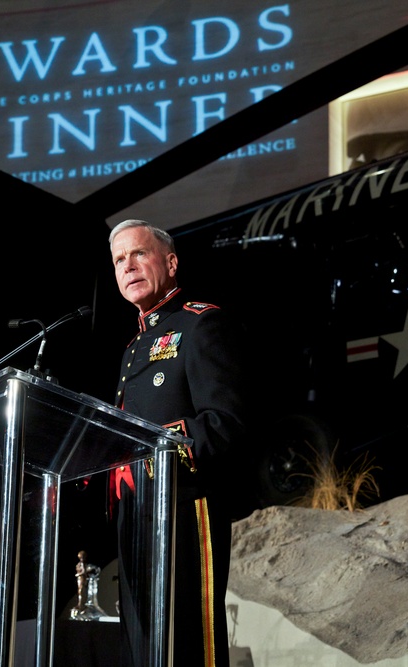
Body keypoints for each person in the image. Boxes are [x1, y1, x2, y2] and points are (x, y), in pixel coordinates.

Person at [108, 218, 250, 667]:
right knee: (147, 648)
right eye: (118, 260)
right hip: (136, 514)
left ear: (170, 262)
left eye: (138, 254)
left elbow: (224, 422)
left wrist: (152, 454)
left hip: (187, 506)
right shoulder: (133, 347)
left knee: (191, 645)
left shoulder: (201, 325)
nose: (127, 266)